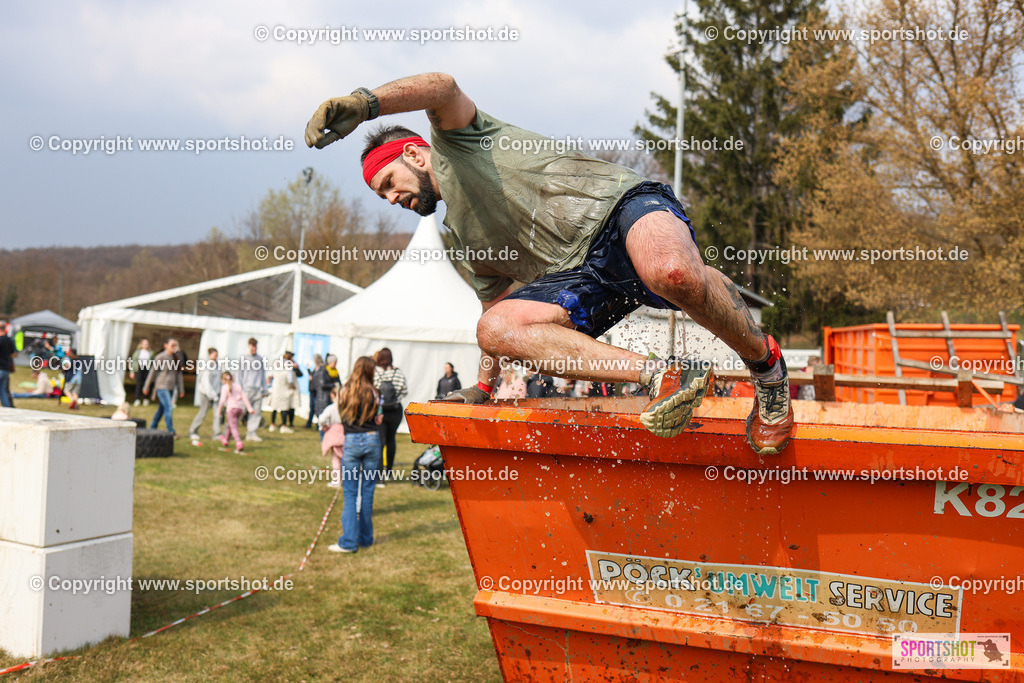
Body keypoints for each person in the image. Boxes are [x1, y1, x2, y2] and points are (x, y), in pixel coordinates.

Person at [306, 74, 794, 454]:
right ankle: (662, 376)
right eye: (383, 195)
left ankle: (767, 370)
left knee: (672, 273)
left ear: (413, 154)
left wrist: (364, 102)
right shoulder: (460, 236)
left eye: (389, 183)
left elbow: (442, 86)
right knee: (494, 327)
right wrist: (482, 387)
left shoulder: (457, 140)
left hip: (619, 206)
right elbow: (495, 312)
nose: (392, 199)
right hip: (580, 277)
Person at [328, 356, 384, 554]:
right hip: (371, 440)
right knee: (367, 492)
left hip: (352, 440)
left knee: (351, 493)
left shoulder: (344, 391)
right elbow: (379, 419)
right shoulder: (376, 393)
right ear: (370, 371)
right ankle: (366, 538)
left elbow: (339, 413)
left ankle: (349, 541)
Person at [373, 348, 407, 484]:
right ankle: (389, 471)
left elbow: (372, 390)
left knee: (380, 442)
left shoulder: (375, 373)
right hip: (395, 410)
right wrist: (395, 398)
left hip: (380, 410)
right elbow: (404, 391)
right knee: (391, 439)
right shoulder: (398, 372)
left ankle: (379, 475)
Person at [143, 338, 184, 436]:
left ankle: (153, 427)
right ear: (166, 345)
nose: (174, 347)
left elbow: (179, 375)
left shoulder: (176, 358)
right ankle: (171, 430)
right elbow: (153, 372)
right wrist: (146, 386)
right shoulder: (160, 357)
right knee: (169, 407)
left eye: (175, 345)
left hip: (171, 388)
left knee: (162, 409)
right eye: (172, 345)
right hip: (161, 387)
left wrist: (181, 389)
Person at [188, 347, 223, 447]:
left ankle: (217, 433)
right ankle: (193, 431)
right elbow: (206, 383)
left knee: (218, 414)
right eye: (214, 355)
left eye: (217, 355)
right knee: (203, 412)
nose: (216, 357)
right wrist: (212, 395)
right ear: (209, 355)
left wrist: (218, 393)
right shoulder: (207, 366)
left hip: (216, 393)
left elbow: (218, 381)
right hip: (206, 393)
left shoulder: (217, 366)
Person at [238, 338, 267, 443]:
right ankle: (231, 431)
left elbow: (263, 375)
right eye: (252, 346)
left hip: (257, 390)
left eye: (255, 346)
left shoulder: (259, 359)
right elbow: (239, 375)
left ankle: (252, 433)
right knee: (240, 411)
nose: (253, 348)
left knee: (256, 412)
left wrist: (264, 389)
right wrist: (239, 389)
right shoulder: (243, 358)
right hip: (246, 390)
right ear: (248, 346)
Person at [218, 371, 254, 454]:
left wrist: (219, 411)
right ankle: (226, 440)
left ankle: (238, 442)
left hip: (231, 409)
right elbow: (244, 398)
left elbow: (222, 400)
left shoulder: (225, 387)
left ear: (223, 380)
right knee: (230, 426)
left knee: (233, 427)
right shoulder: (237, 386)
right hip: (240, 409)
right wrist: (250, 408)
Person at [268, 353, 300, 433]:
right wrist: (293, 386)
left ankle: (272, 425)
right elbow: (290, 381)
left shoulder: (276, 368)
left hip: (276, 391)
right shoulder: (288, 370)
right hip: (284, 391)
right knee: (284, 409)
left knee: (274, 408)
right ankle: (283, 426)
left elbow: (270, 375)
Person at [311, 354, 339, 427]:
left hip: (331, 397)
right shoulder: (323, 370)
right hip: (323, 398)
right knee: (323, 416)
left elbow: (339, 382)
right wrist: (334, 385)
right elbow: (322, 384)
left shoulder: (335, 371)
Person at [129, 339, 153, 406]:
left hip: (147, 369)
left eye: (147, 344)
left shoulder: (150, 352)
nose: (146, 345)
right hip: (139, 368)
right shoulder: (137, 352)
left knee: (147, 384)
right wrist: (132, 372)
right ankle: (137, 399)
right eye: (144, 344)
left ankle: (146, 399)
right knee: (139, 384)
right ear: (141, 344)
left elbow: (153, 362)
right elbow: (133, 362)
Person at [305, 353, 324, 429]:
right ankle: (309, 423)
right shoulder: (316, 368)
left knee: (317, 408)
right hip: (312, 391)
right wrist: (308, 369)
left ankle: (319, 423)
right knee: (312, 408)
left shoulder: (321, 369)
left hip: (317, 392)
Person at [0, 321, 16, 408]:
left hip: (0, 368)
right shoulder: (10, 340)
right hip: (6, 369)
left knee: (2, 390)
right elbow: (13, 354)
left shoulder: (1, 340)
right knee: (2, 390)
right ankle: (7, 408)